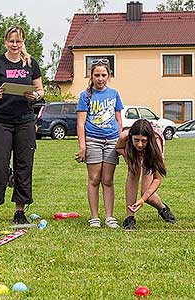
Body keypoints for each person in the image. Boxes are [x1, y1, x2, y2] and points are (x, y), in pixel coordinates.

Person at [0, 26, 44, 225]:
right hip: (1, 120)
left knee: (24, 165)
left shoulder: (31, 63)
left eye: (18, 41)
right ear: (5, 42)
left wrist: (36, 95)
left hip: (24, 120)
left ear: (23, 42)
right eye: (11, 41)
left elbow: (40, 90)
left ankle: (19, 211)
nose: (15, 45)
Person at [76, 58, 123, 229]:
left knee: (108, 180)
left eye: (104, 75)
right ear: (91, 76)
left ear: (109, 76)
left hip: (111, 140)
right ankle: (95, 217)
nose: (100, 78)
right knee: (94, 179)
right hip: (93, 140)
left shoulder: (114, 94)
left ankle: (110, 216)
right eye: (97, 75)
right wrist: (83, 146)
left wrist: (120, 142)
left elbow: (119, 120)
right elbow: (80, 123)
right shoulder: (85, 96)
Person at [115, 119, 176, 230]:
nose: (139, 144)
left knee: (148, 194)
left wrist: (142, 199)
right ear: (131, 136)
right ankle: (129, 218)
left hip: (150, 153)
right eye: (136, 140)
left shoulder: (155, 146)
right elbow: (118, 148)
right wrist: (130, 158)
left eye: (143, 141)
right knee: (133, 173)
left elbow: (157, 179)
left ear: (149, 140)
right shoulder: (124, 136)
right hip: (133, 154)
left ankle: (163, 209)